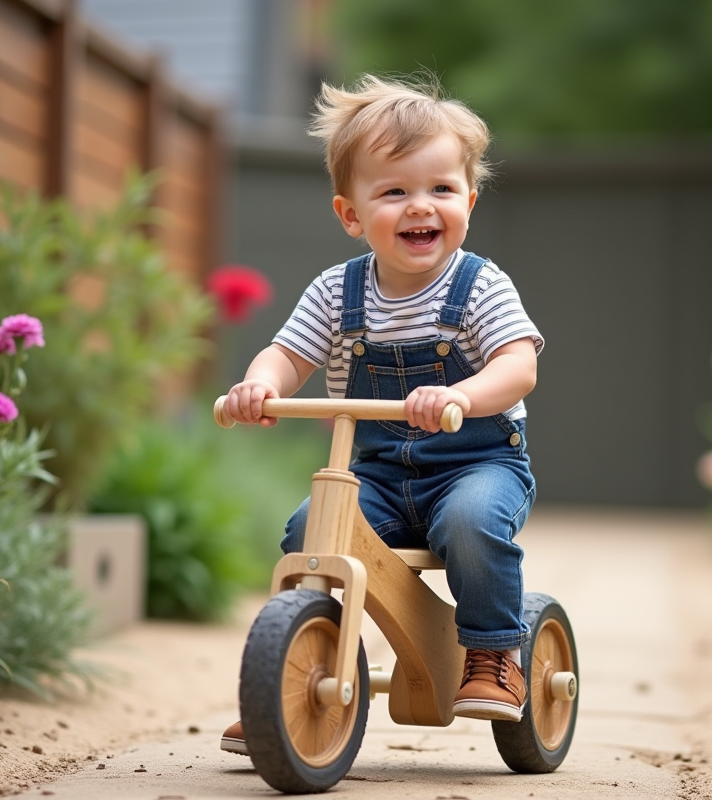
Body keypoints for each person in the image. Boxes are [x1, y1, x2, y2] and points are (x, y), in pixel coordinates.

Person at [220, 73, 543, 756]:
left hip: (477, 465)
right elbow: (287, 355)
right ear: (351, 214)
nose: (420, 206)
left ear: (469, 201)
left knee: (471, 523)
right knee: (310, 529)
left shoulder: (479, 285)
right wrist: (258, 385)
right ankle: (295, 670)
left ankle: (494, 653)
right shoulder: (336, 293)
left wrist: (462, 395)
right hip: (379, 474)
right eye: (394, 192)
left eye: (441, 189)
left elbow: (518, 366)